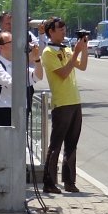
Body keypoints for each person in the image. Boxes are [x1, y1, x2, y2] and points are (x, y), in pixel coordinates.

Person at [41, 17, 88, 194]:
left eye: (64, 28)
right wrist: (75, 53)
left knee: (72, 144)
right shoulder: (48, 52)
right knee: (56, 144)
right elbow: (62, 73)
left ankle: (69, 181)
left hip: (75, 100)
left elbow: (82, 66)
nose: (63, 31)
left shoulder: (66, 48)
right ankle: (49, 182)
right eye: (60, 28)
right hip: (62, 102)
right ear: (50, 32)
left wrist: (83, 49)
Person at [0, 31, 43, 126]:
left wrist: (37, 59)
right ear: (1, 47)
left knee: (21, 140)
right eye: (11, 42)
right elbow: (11, 84)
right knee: (5, 140)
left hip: (20, 108)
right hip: (3, 109)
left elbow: (38, 76)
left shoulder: (16, 64)